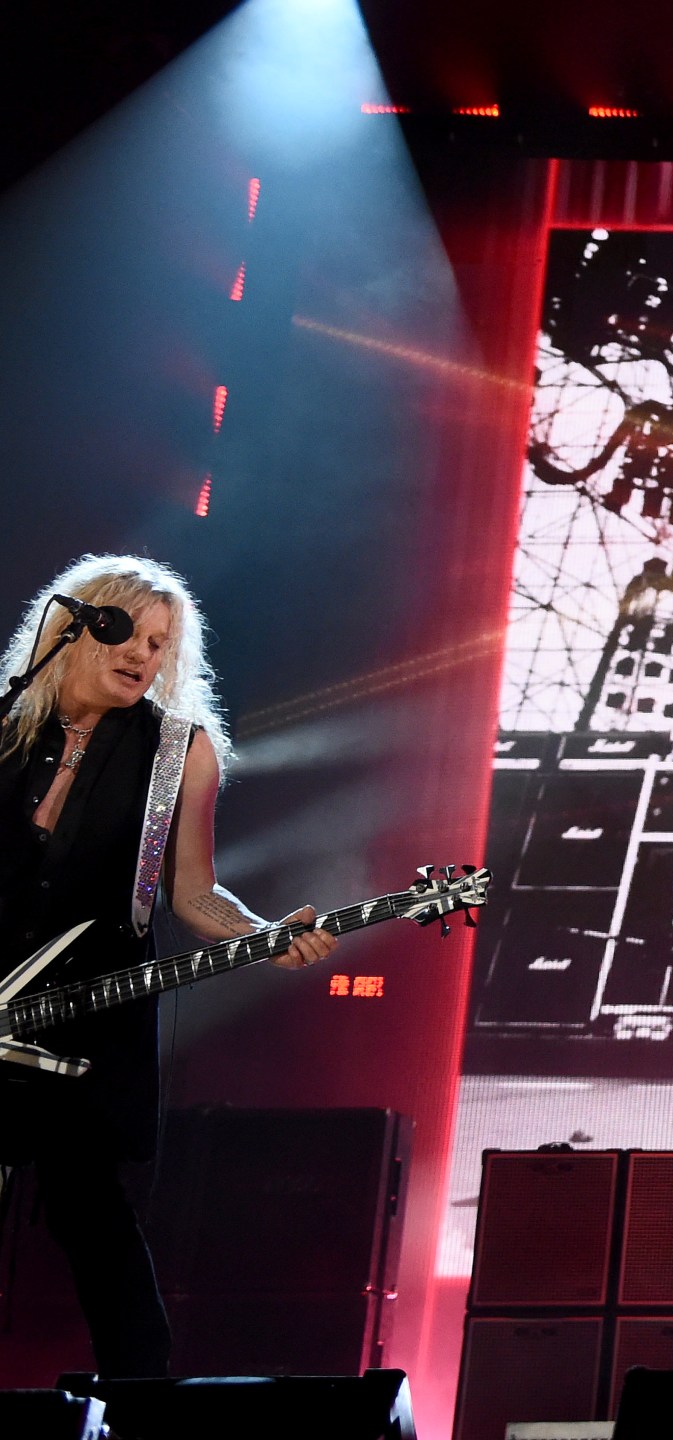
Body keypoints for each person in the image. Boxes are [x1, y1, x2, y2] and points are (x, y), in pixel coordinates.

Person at [0, 555, 336, 1377]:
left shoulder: (177, 754)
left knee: (91, 1211)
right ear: (72, 628)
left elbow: (192, 890)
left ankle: (145, 1408)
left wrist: (261, 933)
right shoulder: (6, 728)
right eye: (128, 633)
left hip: (88, 1013)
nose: (143, 655)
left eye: (161, 644)